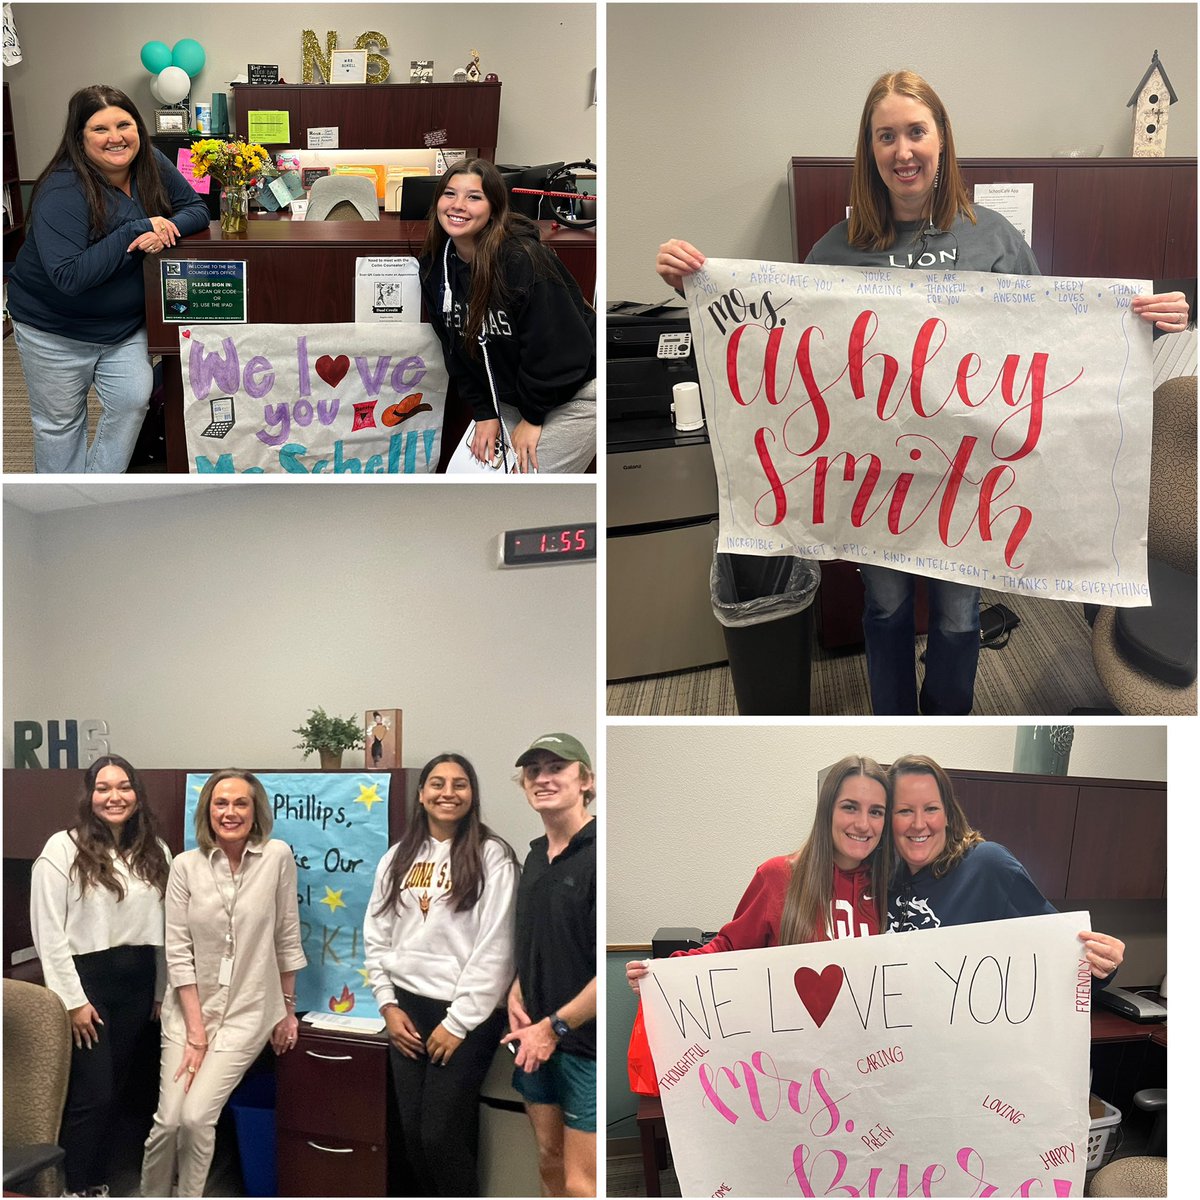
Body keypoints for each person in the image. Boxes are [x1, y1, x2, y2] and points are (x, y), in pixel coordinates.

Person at [655, 70, 1190, 715]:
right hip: (877, 475)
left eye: (916, 132)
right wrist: (698, 287)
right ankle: (892, 719)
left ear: (941, 140)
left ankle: (946, 721)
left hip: (970, 477)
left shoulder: (993, 237)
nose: (903, 150)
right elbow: (787, 338)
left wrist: (1137, 321)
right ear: (870, 149)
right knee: (885, 606)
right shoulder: (837, 248)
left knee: (960, 616)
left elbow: (1053, 338)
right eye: (886, 136)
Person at [6, 85, 211, 473]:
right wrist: (138, 229)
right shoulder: (62, 189)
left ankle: (99, 488)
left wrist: (165, 229)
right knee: (60, 426)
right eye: (100, 129)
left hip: (124, 328)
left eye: (124, 125)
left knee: (133, 402)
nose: (116, 137)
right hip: (55, 330)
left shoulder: (150, 161)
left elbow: (195, 208)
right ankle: (65, 501)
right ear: (80, 139)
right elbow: (70, 276)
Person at [141, 770, 306, 1197]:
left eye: (240, 803)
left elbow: (287, 935)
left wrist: (287, 1010)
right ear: (207, 811)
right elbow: (178, 952)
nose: (230, 812)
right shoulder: (185, 866)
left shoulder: (277, 857)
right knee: (168, 1120)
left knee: (196, 1117)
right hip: (189, 1013)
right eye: (221, 803)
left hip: (248, 1011)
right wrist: (196, 1032)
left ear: (255, 810)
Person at [363, 754, 519, 1196]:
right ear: (421, 794)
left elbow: (498, 948)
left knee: (441, 1136)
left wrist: (458, 1023)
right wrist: (387, 1005)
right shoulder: (397, 857)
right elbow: (376, 935)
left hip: (465, 1014)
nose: (447, 792)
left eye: (459, 784)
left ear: (472, 795)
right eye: (437, 783)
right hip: (406, 1010)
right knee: (413, 1135)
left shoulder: (494, 856)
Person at [626, 754, 890, 999]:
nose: (863, 824)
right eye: (850, 807)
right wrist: (663, 974)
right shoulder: (778, 877)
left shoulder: (892, 888)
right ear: (826, 811)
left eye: (876, 811)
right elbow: (728, 950)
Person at [30, 755, 171, 1198]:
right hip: (87, 984)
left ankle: (98, 1180)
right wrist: (73, 1001)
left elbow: (168, 930)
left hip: (138, 983)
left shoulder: (155, 851)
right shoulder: (63, 848)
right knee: (94, 1093)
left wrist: (161, 990)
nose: (115, 796)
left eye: (124, 787)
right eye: (103, 788)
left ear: (137, 795)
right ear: (89, 795)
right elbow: (48, 933)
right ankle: (74, 1186)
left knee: (120, 1089)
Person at [419, 158, 596, 474]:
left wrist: (533, 417)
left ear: (494, 208)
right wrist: (485, 411)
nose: (458, 205)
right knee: (465, 480)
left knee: (520, 486)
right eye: (450, 194)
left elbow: (559, 352)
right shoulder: (437, 266)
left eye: (474, 197)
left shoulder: (521, 260)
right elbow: (454, 349)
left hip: (574, 393)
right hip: (516, 397)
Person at [887, 753, 1124, 979]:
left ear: (948, 814)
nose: (919, 824)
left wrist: (1101, 963)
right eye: (905, 811)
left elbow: (1062, 952)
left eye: (931, 809)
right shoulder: (882, 880)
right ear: (888, 818)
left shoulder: (987, 867)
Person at [500, 734, 598, 1197]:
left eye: (556, 767)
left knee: (583, 1184)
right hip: (535, 1042)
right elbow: (542, 940)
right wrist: (517, 988)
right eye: (533, 771)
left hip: (581, 1046)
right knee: (549, 1159)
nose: (543, 778)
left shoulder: (601, 853)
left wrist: (553, 1027)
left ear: (586, 780)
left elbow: (602, 974)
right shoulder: (536, 856)